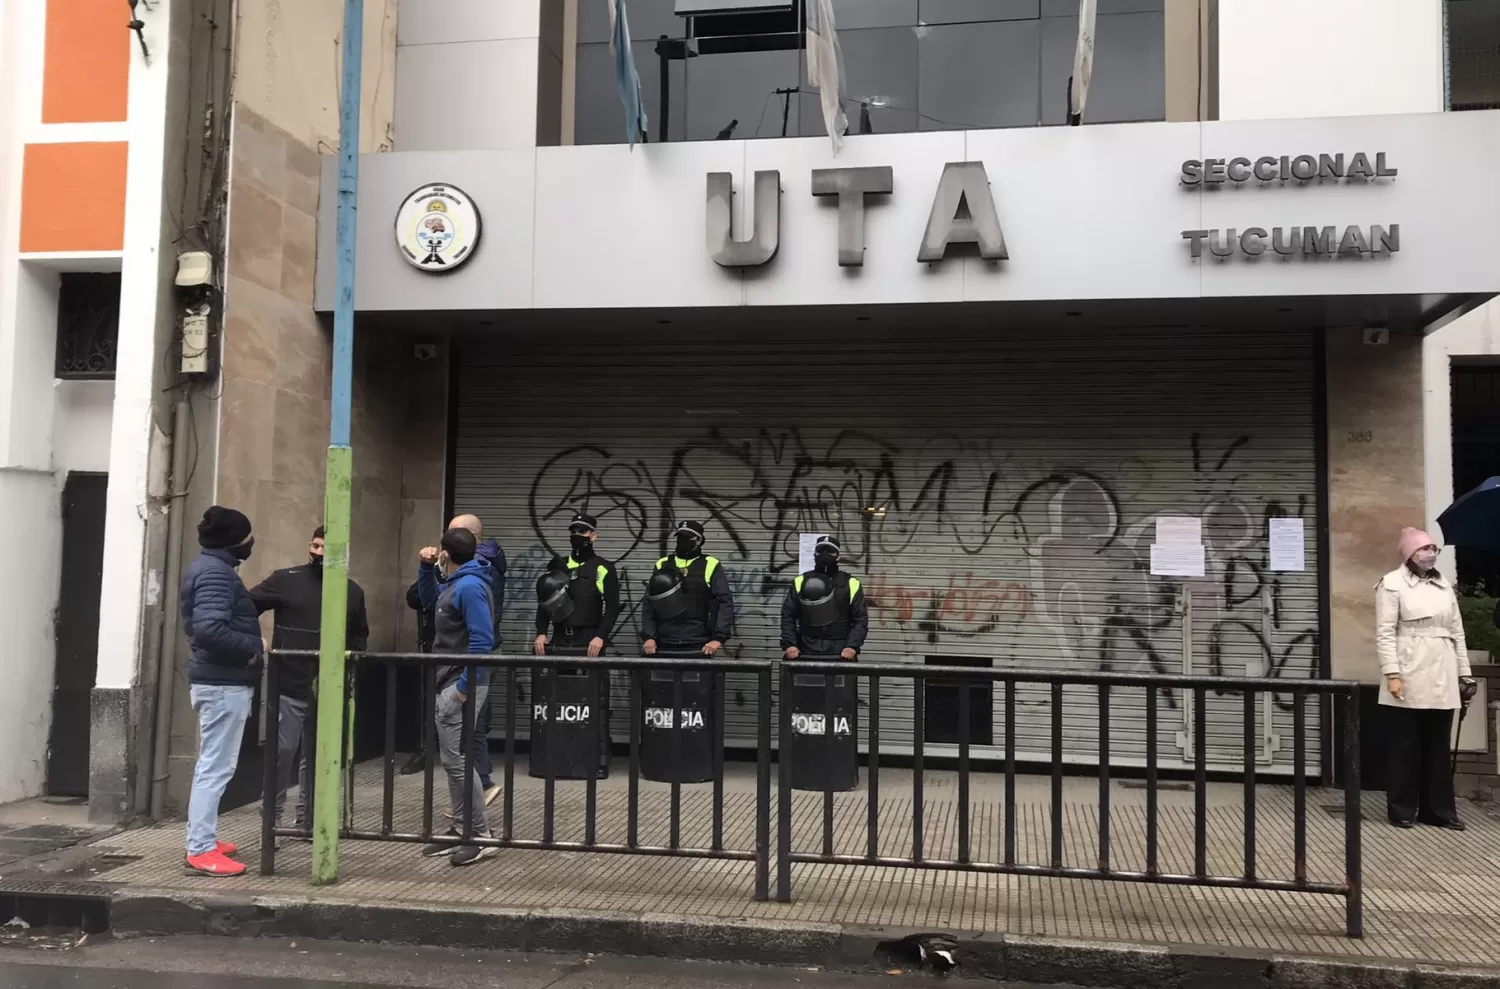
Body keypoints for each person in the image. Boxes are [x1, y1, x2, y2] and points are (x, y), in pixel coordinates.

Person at [248, 525, 370, 837]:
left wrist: (349, 663)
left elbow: (359, 635)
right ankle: (271, 823)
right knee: (282, 756)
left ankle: (309, 820)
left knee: (318, 758)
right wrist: (254, 639)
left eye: (324, 548)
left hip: (328, 689)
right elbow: (246, 605)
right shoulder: (286, 579)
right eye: (314, 545)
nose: (316, 552)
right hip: (288, 685)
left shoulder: (352, 591)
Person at [181, 507, 265, 877]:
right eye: (246, 537)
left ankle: (204, 839)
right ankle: (200, 849)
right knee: (216, 767)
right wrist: (253, 647)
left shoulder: (208, 568)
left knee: (213, 765)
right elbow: (209, 630)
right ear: (234, 541)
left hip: (218, 680)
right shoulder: (217, 574)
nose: (250, 543)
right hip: (223, 683)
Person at [1377, 527, 1477, 831]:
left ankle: (1439, 809)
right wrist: (1392, 673)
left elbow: (1457, 632)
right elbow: (1384, 633)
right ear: (1409, 553)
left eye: (1434, 548)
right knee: (1405, 745)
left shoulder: (1444, 585)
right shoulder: (1391, 584)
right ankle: (1402, 808)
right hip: (1409, 668)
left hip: (1442, 670)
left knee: (1437, 745)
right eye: (1424, 549)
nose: (1431, 554)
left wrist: (1465, 673)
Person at [416, 527, 499, 866]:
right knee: (453, 763)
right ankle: (461, 829)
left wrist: (463, 689)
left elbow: (482, 641)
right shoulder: (456, 584)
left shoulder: (469, 587)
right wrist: (424, 569)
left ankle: (479, 836)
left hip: (460, 684)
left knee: (459, 763)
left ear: (445, 553)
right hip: (452, 681)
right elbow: (427, 602)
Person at [534, 513, 621, 772]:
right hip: (562, 638)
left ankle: (596, 759)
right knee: (559, 701)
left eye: (583, 532)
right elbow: (545, 603)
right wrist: (541, 632)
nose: (577, 536)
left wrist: (600, 636)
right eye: (574, 531)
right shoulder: (558, 565)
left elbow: (613, 607)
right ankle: (560, 754)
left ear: (593, 535)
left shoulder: (603, 568)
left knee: (594, 700)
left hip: (589, 641)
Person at [641, 520, 734, 656]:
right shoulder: (663, 564)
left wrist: (717, 639)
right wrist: (649, 637)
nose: (682, 541)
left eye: (687, 538)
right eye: (680, 537)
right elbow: (649, 603)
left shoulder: (710, 564)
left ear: (699, 541)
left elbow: (724, 602)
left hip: (699, 642)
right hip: (663, 642)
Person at [780, 535, 868, 661]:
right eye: (821, 551)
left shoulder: (851, 583)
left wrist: (852, 647)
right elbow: (788, 614)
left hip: (840, 650)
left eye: (830, 552)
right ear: (815, 555)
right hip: (806, 649)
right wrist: (790, 645)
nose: (825, 555)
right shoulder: (801, 581)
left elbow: (861, 619)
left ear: (838, 556)